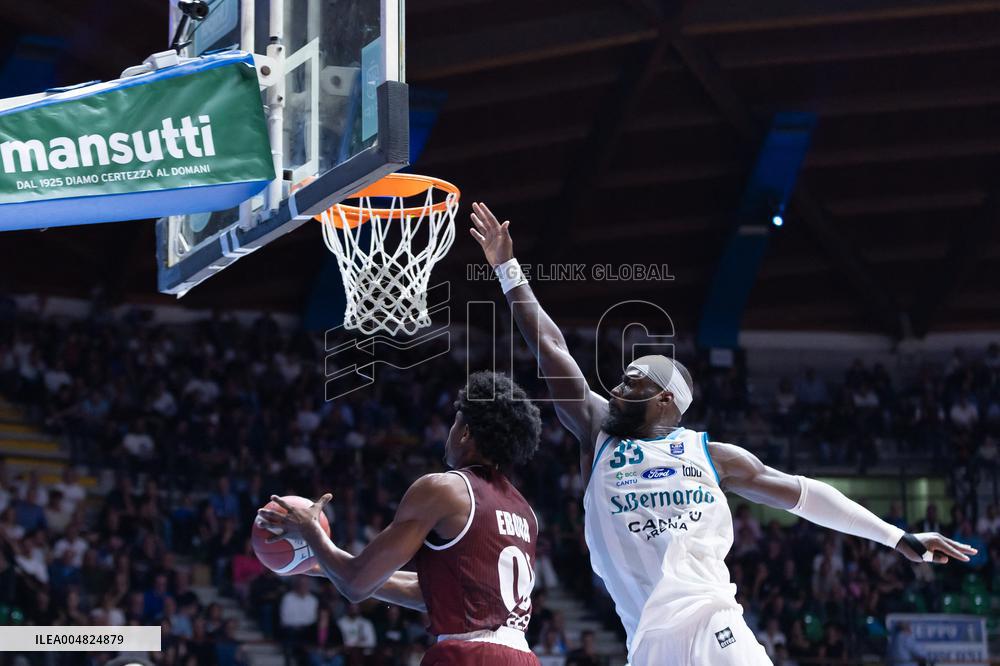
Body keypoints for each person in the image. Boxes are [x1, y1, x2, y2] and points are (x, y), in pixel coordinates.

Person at [468, 202, 978, 666]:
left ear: (666, 400)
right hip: (644, 641)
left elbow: (806, 495)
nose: (617, 385)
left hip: (713, 623)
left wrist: (898, 537)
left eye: (633, 380)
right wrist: (509, 272)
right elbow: (552, 347)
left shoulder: (711, 454)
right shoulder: (598, 431)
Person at [258, 371, 543, 665]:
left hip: (469, 655)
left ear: (466, 431)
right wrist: (322, 566)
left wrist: (309, 529)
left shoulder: (445, 489)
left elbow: (355, 584)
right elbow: (432, 592)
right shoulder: (526, 513)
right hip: (523, 656)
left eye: (455, 421)